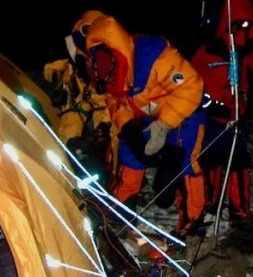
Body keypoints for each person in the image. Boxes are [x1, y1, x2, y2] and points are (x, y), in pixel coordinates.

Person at [82, 12, 207, 236]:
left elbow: (192, 85)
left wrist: (164, 125)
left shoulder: (153, 56)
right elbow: (113, 100)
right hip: (147, 116)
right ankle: (117, 214)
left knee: (186, 166)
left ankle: (191, 224)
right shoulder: (99, 68)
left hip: (184, 115)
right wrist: (128, 127)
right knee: (130, 156)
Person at [190, 0, 253, 221]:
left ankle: (239, 208)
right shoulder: (209, 49)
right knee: (210, 159)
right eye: (236, 24)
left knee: (239, 162)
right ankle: (209, 203)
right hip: (213, 116)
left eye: (246, 24)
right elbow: (193, 82)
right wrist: (209, 105)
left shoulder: (248, 49)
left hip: (237, 115)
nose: (241, 29)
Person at [42, 10, 111, 174]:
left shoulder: (104, 60)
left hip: (97, 111)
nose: (90, 35)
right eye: (87, 29)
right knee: (70, 139)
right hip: (72, 109)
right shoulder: (70, 56)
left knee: (105, 141)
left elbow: (108, 99)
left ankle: (97, 176)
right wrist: (57, 78)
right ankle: (67, 169)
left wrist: (104, 124)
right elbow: (49, 69)